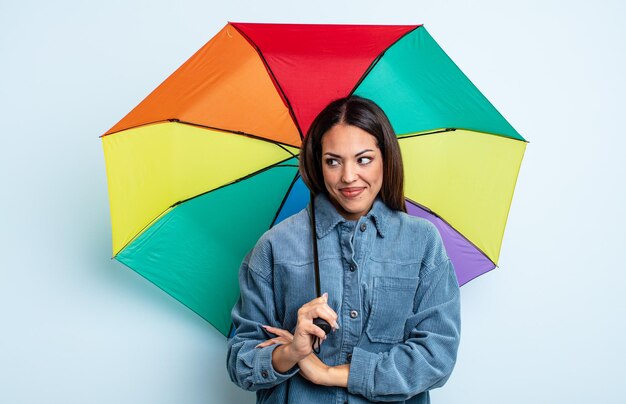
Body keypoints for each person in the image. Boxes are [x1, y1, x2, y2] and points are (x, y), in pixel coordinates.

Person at [227, 96, 461, 403]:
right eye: (333, 161)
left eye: (363, 159)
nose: (348, 176)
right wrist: (291, 351)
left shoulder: (421, 242)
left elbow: (436, 358)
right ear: (318, 163)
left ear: (386, 158)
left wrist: (326, 373)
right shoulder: (275, 246)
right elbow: (240, 363)